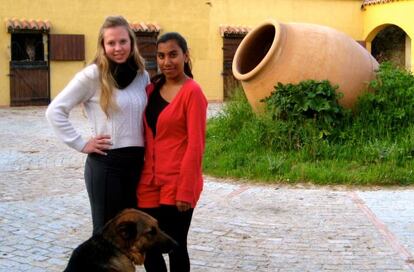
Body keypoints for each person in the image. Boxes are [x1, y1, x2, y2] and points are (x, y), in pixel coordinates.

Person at [46, 15, 149, 235]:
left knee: (131, 236)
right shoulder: (92, 75)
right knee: (106, 237)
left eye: (123, 41)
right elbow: (55, 111)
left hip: (136, 165)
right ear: (103, 46)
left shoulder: (143, 76)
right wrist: (81, 143)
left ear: (131, 42)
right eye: (111, 43)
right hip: (106, 166)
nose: (118, 48)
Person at [136, 32, 207, 272]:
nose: (167, 61)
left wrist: (186, 190)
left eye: (173, 55)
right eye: (161, 56)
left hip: (178, 182)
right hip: (149, 181)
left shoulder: (193, 92)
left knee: (175, 245)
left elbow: (196, 145)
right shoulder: (151, 89)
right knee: (148, 247)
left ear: (185, 56)